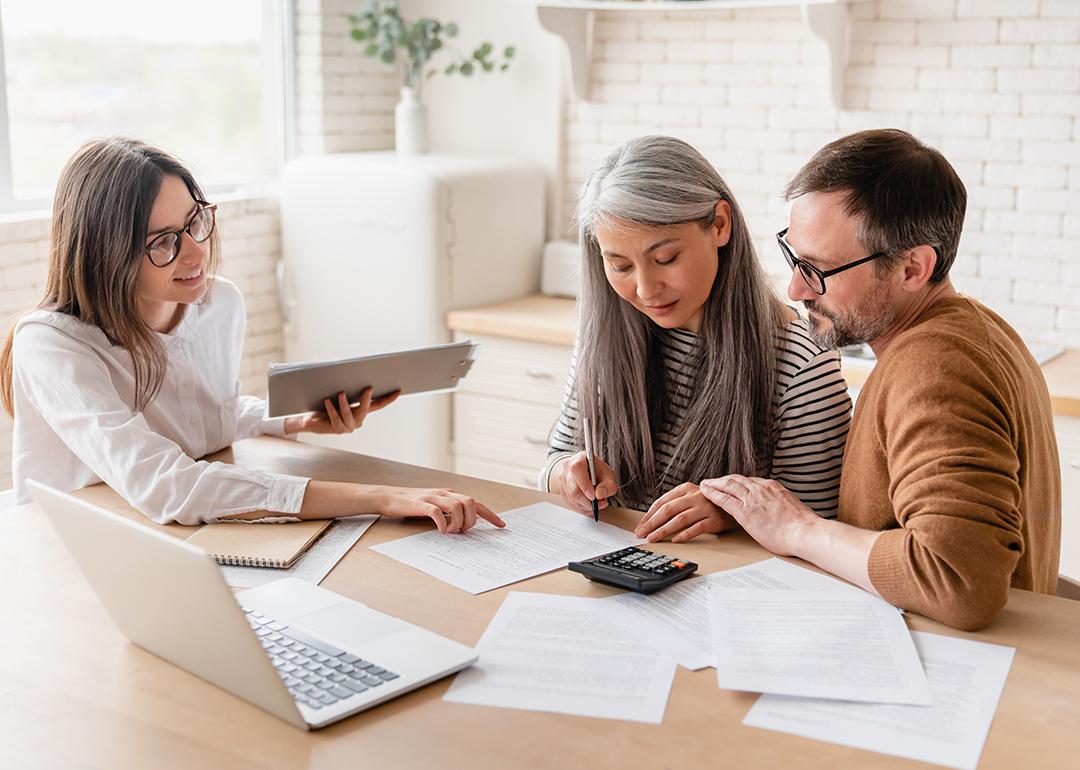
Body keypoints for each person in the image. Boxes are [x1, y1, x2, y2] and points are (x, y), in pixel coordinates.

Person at [1, 137, 503, 533]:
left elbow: (199, 421)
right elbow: (166, 485)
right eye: (164, 243)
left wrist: (294, 421)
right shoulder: (53, 346)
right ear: (103, 252)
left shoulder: (218, 305)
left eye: (195, 222)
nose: (196, 253)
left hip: (169, 535)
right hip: (69, 546)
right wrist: (382, 497)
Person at [700, 128, 1061, 631]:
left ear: (913, 267)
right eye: (793, 256)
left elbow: (959, 581)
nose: (796, 287)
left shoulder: (933, 366)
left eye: (818, 267)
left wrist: (797, 528)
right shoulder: (979, 329)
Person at [542, 135, 851, 541]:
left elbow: (818, 529)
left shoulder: (802, 363)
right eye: (619, 266)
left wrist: (732, 513)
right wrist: (568, 475)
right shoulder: (604, 335)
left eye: (665, 258)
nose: (646, 289)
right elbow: (553, 462)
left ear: (720, 224)